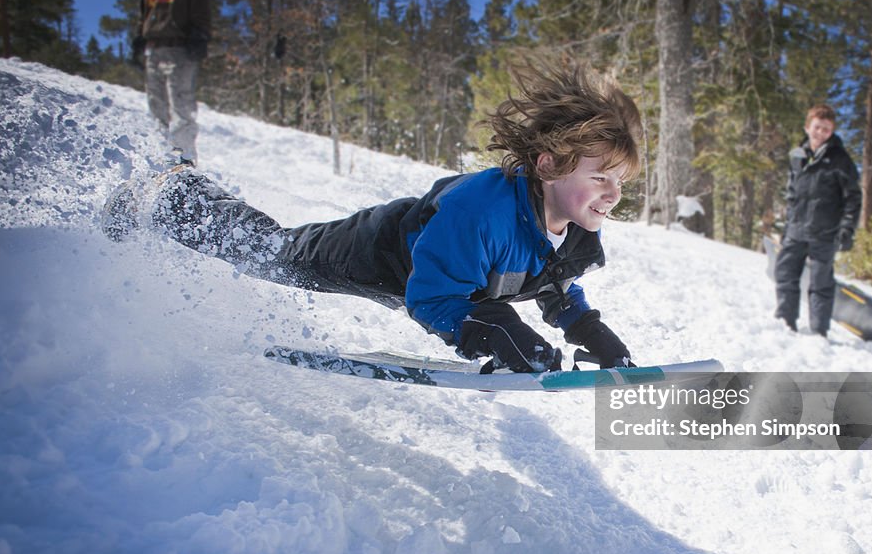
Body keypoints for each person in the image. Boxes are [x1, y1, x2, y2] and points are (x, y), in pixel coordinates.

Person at [101, 63, 642, 373]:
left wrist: (587, 328)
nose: (613, 194)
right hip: (378, 252)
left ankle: (178, 193)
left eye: (621, 181)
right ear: (548, 166)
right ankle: (177, 194)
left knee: (274, 253)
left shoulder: (572, 227)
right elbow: (429, 298)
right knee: (272, 253)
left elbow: (551, 283)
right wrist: (491, 327)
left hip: (448, 279)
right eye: (600, 177)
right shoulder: (480, 211)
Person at [774, 104, 862, 337]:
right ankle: (786, 322)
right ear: (807, 127)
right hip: (796, 229)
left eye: (826, 129)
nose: (821, 132)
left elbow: (853, 198)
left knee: (821, 283)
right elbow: (792, 194)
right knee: (784, 274)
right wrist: (788, 225)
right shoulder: (797, 156)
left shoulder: (840, 160)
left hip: (826, 232)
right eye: (817, 127)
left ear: (832, 131)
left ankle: (819, 331)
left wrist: (847, 230)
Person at [132, 0, 211, 164]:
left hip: (181, 47)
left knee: (181, 104)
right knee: (156, 105)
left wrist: (200, 34)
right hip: (153, 47)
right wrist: (139, 35)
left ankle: (184, 161)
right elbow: (145, 9)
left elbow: (200, 4)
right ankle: (162, 159)